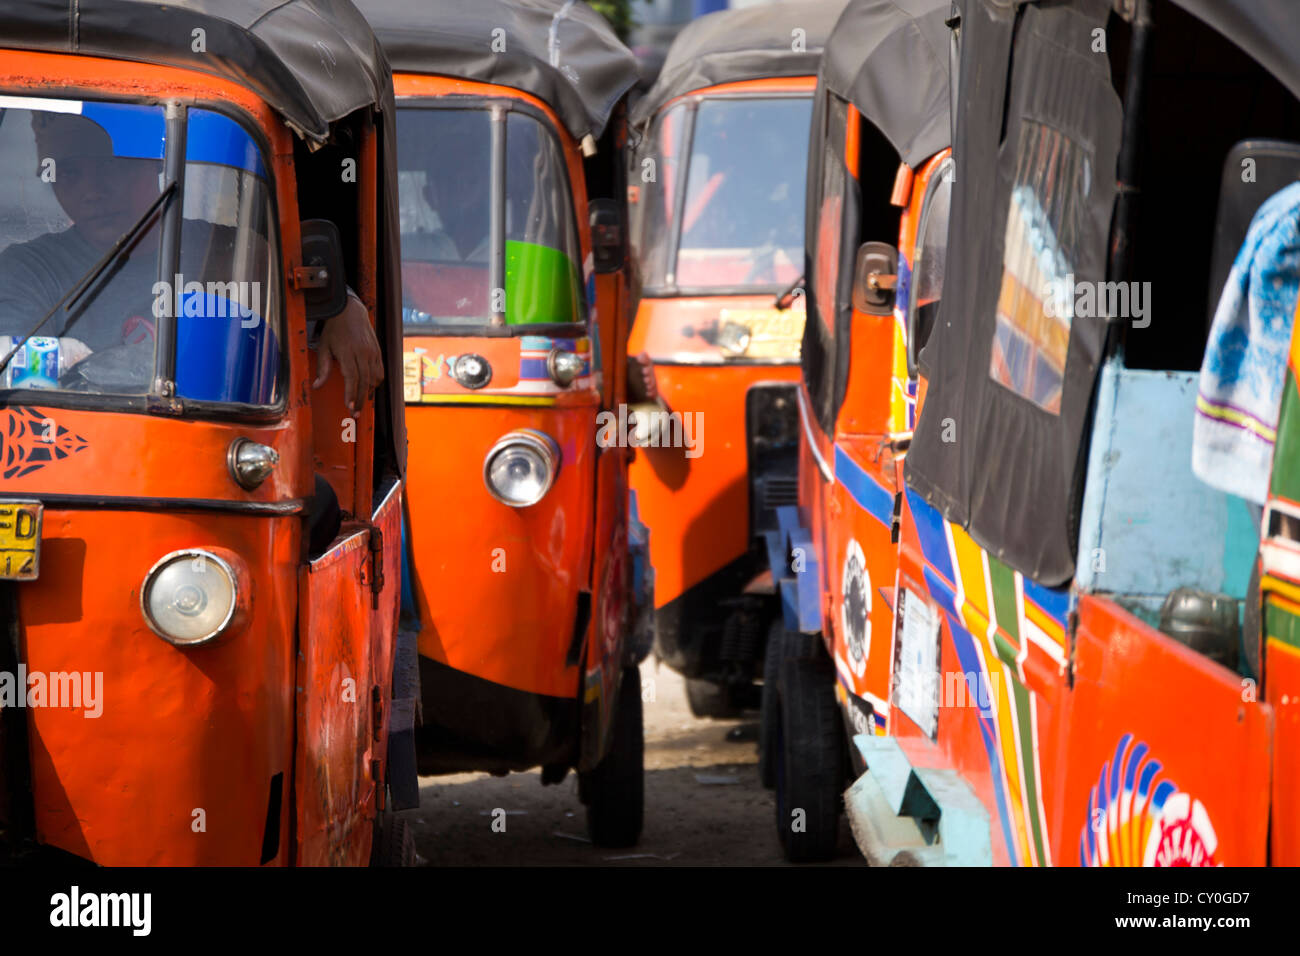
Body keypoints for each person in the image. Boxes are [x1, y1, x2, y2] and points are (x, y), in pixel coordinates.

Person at [0, 111, 382, 411]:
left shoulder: (229, 251)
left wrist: (343, 305)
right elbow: (14, 369)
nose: (91, 192)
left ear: (154, 162)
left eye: (109, 166)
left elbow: (301, 293)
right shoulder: (30, 270)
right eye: (69, 174)